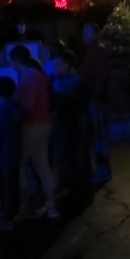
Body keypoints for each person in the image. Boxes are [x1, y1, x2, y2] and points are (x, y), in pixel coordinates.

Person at [9, 45, 58, 219]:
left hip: (32, 125)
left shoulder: (28, 77)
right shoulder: (39, 75)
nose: (11, 65)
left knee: (18, 162)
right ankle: (51, 205)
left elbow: (27, 106)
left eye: (11, 61)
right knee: (42, 164)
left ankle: (23, 204)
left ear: (16, 60)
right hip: (45, 123)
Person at [50, 51, 91, 199]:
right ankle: (67, 182)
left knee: (74, 154)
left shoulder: (75, 81)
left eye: (58, 64)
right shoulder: (56, 80)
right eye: (54, 63)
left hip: (73, 123)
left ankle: (77, 184)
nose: (55, 66)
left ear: (67, 65)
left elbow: (76, 103)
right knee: (63, 154)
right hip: (62, 123)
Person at [79, 24, 112, 185]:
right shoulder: (93, 52)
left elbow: (100, 76)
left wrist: (95, 97)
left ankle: (103, 169)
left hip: (97, 100)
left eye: (86, 32)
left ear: (95, 34)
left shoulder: (98, 52)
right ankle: (102, 168)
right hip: (94, 99)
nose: (83, 35)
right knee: (98, 135)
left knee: (99, 136)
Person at [0, 77, 22, 230]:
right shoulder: (16, 106)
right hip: (15, 153)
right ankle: (12, 214)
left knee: (4, 188)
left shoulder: (0, 110)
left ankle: (6, 218)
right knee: (13, 186)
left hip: (4, 156)